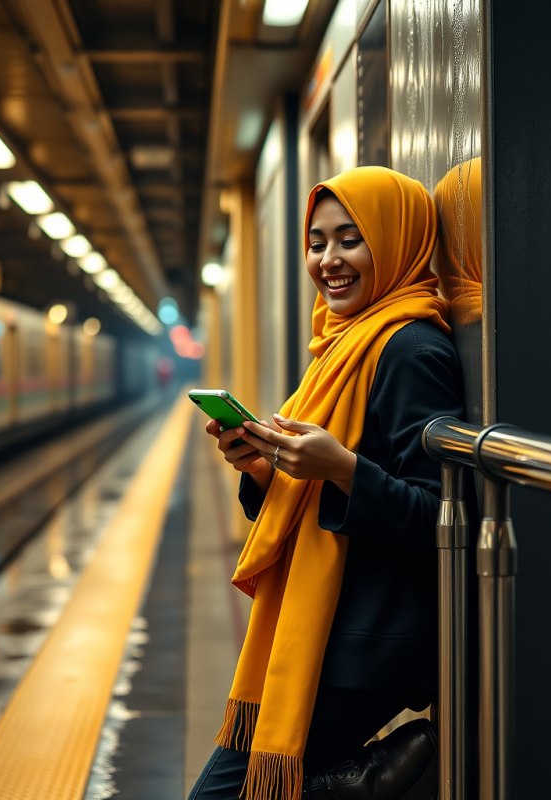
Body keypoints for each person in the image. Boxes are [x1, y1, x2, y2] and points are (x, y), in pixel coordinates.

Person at [190, 167, 466, 800]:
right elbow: (315, 499)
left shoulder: (411, 350)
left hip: (367, 644)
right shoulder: (342, 343)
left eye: (350, 239)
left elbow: (442, 517)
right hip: (331, 629)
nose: (328, 260)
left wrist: (340, 467)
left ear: (395, 239)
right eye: (317, 243)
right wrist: (262, 468)